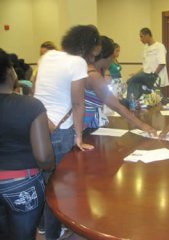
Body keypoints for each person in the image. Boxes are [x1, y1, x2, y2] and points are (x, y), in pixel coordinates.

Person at [34, 25, 100, 240]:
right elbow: (78, 103)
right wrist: (79, 136)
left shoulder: (48, 56)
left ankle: (43, 229)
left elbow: (36, 90)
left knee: (44, 184)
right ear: (88, 46)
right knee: (59, 191)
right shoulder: (78, 62)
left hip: (38, 129)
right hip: (61, 132)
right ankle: (53, 234)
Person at [0, 48, 55, 239]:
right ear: (10, 72)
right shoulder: (30, 106)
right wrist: (50, 169)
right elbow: (44, 156)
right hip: (22, 184)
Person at [84, 36, 157, 135]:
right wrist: (142, 125)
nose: (112, 61)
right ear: (107, 56)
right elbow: (116, 106)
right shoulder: (93, 76)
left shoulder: (91, 70)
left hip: (89, 125)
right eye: (112, 57)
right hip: (82, 128)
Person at [127, 28, 169, 97]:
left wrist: (153, 76)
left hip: (156, 79)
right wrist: (136, 74)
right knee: (147, 99)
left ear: (147, 35)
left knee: (156, 99)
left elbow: (162, 63)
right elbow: (145, 66)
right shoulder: (145, 48)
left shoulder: (159, 46)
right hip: (146, 79)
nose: (140, 39)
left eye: (141, 36)